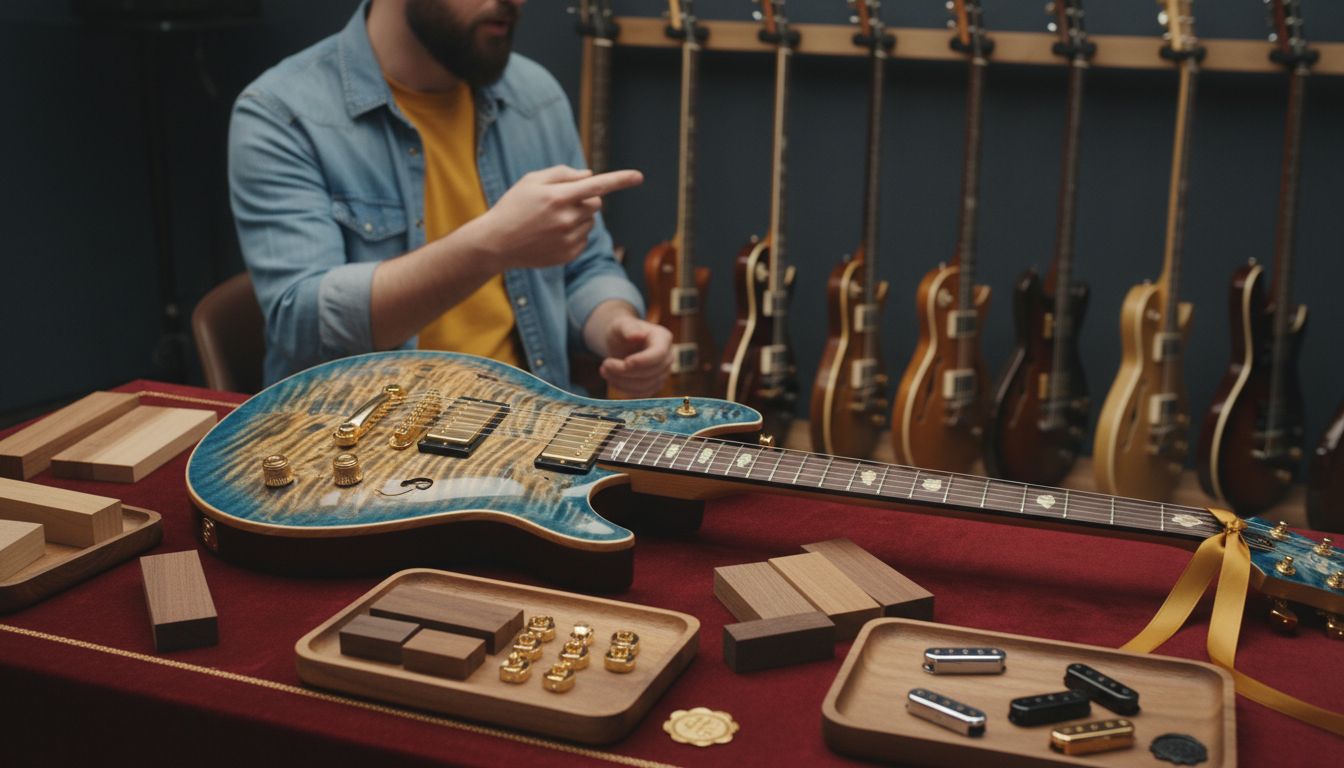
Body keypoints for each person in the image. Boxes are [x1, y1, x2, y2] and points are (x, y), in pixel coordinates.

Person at [228, 0, 672, 395]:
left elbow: (583, 267)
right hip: (366, 444)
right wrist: (489, 246)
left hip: (535, 428)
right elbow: (304, 326)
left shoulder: (534, 97)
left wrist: (616, 326)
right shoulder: (281, 113)